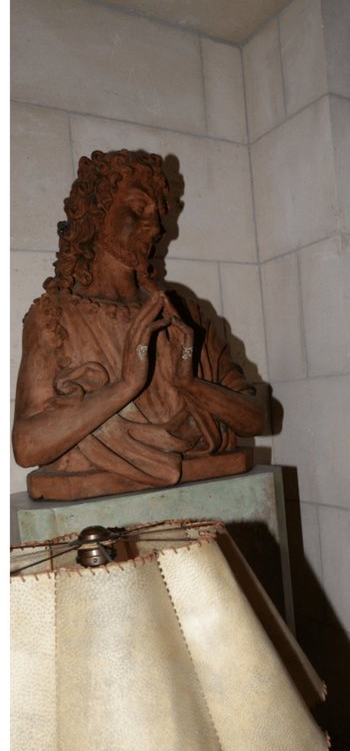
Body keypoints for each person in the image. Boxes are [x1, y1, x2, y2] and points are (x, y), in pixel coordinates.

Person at [12, 149, 265, 500]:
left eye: (159, 213)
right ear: (97, 213)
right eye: (138, 208)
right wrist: (126, 385)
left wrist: (190, 384)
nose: (157, 226)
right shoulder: (54, 318)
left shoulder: (185, 315)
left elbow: (255, 418)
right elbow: (27, 447)